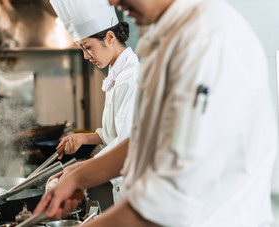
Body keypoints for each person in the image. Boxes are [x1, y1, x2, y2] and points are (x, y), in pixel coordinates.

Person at [35, 0, 278, 226]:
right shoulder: (169, 37)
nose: (111, 2)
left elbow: (174, 197)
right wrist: (81, 176)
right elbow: (149, 139)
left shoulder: (205, 43)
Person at [48, 0, 139, 203]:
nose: (86, 56)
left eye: (87, 47)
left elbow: (125, 142)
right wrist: (83, 139)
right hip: (122, 183)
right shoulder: (117, 73)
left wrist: (80, 169)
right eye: (81, 48)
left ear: (109, 37)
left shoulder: (130, 78)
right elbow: (112, 133)